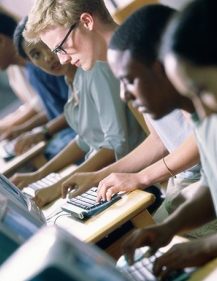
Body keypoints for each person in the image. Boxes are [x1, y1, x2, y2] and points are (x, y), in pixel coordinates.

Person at [23, 1, 206, 232]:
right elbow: (160, 139)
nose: (62, 60)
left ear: (87, 21)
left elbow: (203, 136)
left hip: (204, 180)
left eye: (61, 47)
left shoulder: (144, 50)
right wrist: (99, 175)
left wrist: (141, 178)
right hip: (185, 180)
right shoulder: (120, 61)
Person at [119, 0, 217, 280]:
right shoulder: (206, 115)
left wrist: (208, 246)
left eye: (201, 89)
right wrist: (169, 228)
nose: (201, 110)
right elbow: (213, 188)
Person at [11, 22, 145, 208]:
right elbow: (84, 140)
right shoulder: (72, 80)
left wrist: (58, 187)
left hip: (131, 177)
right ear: (31, 64)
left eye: (48, 46)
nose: (48, 57)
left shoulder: (95, 70)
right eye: (36, 55)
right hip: (106, 178)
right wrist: (38, 175)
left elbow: (115, 143)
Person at [0, 12, 76, 161]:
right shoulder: (32, 70)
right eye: (35, 54)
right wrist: (21, 130)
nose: (46, 57)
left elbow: (78, 108)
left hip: (76, 135)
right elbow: (57, 109)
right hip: (68, 136)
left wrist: (43, 131)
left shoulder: (46, 67)